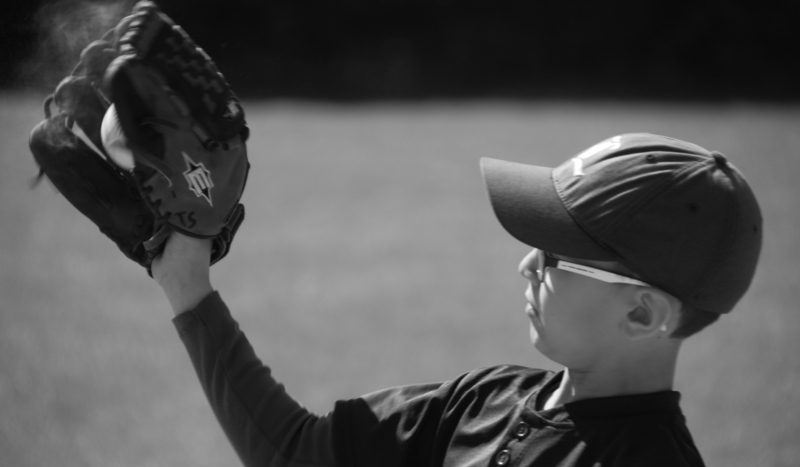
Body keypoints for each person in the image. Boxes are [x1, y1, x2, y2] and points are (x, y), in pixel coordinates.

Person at [151, 132, 762, 467]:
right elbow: (296, 453)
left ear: (641, 312)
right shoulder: (484, 400)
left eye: (554, 257)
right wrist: (187, 283)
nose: (527, 264)